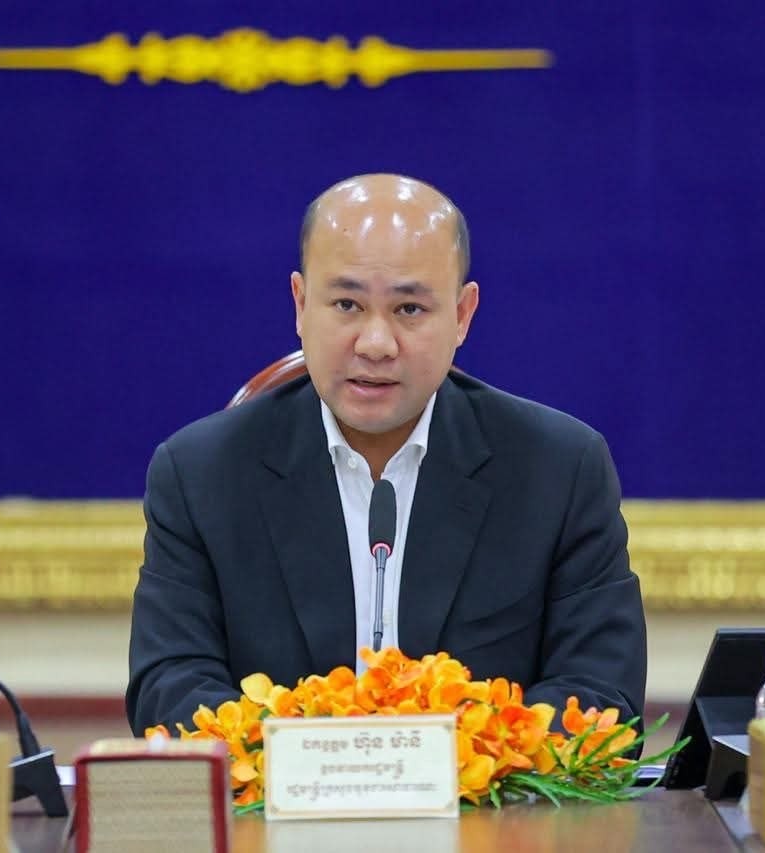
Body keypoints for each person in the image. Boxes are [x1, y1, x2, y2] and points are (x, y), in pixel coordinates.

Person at [127, 174, 646, 734]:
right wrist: (312, 761)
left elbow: (599, 694)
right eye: (346, 304)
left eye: (409, 309)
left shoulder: (559, 470)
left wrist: (458, 761)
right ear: (300, 305)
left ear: (462, 315)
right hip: (279, 791)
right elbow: (169, 686)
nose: (376, 344)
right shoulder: (201, 474)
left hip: (488, 792)